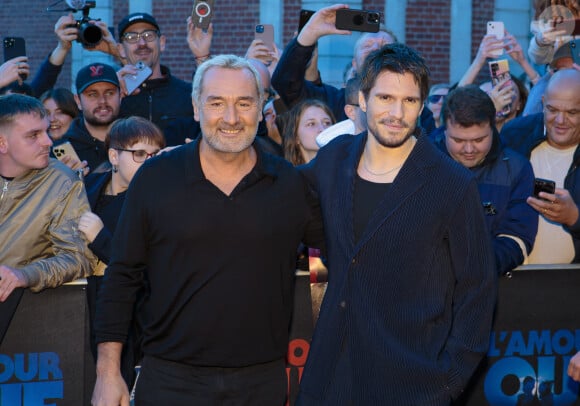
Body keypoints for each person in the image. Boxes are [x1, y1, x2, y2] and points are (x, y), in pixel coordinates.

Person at [91, 54, 324, 405]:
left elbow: (345, 250)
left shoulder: (288, 184)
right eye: (217, 103)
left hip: (261, 383)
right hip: (169, 381)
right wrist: (108, 374)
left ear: (261, 109)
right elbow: (122, 277)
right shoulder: (155, 178)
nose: (231, 118)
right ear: (197, 108)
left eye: (244, 103)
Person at [297, 42, 497, 404]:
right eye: (386, 97)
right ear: (363, 99)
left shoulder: (451, 183)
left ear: (421, 106)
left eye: (409, 101)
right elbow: (279, 200)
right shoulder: (332, 162)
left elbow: (478, 289)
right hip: (331, 379)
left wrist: (448, 382)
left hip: (411, 383)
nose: (397, 113)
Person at [78, 116, 165, 389]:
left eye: (155, 154)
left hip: (129, 319)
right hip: (78, 309)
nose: (149, 161)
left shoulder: (158, 201)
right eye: (139, 153)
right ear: (114, 156)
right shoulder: (85, 186)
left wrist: (100, 238)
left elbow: (148, 266)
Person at [0, 94, 95, 338]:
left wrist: (24, 275)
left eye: (46, 131)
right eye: (33, 135)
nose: (47, 142)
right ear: (2, 143)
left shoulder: (62, 181)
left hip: (25, 320)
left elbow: (78, 258)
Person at [431, 85, 538, 275]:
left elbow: (517, 238)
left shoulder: (516, 168)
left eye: (479, 140)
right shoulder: (421, 165)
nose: (469, 150)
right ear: (444, 130)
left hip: (489, 289)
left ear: (493, 127)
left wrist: (474, 267)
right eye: (458, 140)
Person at [501, 68, 580, 264]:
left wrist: (575, 217)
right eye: (552, 110)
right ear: (543, 103)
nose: (560, 120)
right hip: (512, 277)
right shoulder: (515, 135)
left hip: (571, 285)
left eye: (572, 112)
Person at [116, 12, 193, 133]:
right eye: (131, 37)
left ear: (162, 43)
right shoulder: (115, 98)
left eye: (148, 35)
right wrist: (112, 96)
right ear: (121, 50)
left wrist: (202, 55)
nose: (142, 43)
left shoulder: (188, 94)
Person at [57, 62, 122, 173]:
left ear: (120, 96)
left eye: (109, 93)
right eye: (92, 94)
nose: (102, 101)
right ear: (78, 101)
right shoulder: (62, 151)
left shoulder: (137, 141)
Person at [283, 98, 335, 165]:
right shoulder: (288, 174)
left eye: (327, 123)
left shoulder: (349, 170)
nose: (322, 129)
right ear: (296, 136)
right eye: (311, 124)